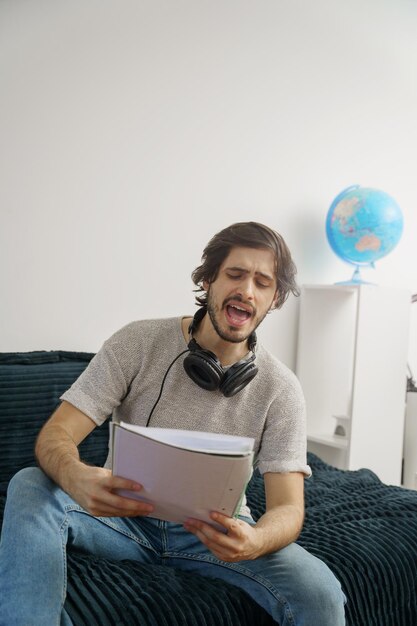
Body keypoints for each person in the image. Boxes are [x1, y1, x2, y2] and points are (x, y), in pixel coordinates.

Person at [0, 221, 345, 625]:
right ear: (209, 279)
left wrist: (255, 540)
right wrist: (76, 476)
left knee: (320, 589)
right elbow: (56, 436)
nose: (247, 290)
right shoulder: (136, 343)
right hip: (122, 518)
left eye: (263, 283)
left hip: (216, 535)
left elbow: (288, 508)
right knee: (29, 482)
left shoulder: (282, 389)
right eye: (235, 274)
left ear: (274, 299)